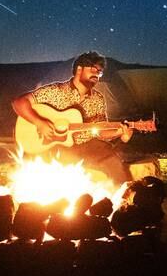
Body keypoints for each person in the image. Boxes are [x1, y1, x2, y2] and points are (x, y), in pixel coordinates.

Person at [11, 51, 140, 186]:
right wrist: (40, 122)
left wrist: (119, 133)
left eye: (100, 72)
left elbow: (101, 130)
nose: (97, 74)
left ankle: (122, 199)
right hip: (56, 147)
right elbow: (18, 103)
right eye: (93, 69)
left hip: (86, 145)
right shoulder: (56, 91)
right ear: (79, 69)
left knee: (114, 162)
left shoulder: (98, 98)